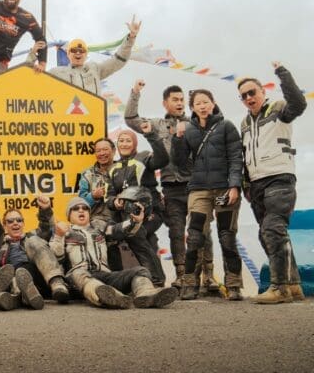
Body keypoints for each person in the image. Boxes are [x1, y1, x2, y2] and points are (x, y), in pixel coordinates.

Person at [124, 80, 218, 291]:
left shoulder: (195, 123)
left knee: (202, 231)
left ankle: (209, 276)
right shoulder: (156, 124)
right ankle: (182, 276)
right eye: (175, 99)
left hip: (196, 185)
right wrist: (136, 92)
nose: (180, 103)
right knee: (176, 232)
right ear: (165, 103)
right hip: (170, 188)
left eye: (182, 99)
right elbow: (130, 118)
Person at [238, 62, 307, 304]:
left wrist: (283, 74)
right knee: (266, 234)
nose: (248, 98)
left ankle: (279, 288)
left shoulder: (278, 109)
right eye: (244, 96)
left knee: (272, 229)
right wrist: (245, 185)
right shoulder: (244, 124)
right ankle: (294, 284)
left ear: (262, 92)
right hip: (256, 185)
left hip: (279, 177)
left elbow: (299, 104)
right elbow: (243, 156)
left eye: (252, 92)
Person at [171, 89, 244, 301]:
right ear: (192, 108)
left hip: (224, 189)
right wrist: (178, 137)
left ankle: (234, 285)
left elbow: (236, 158)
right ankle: (190, 284)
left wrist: (234, 186)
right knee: (194, 236)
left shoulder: (226, 126)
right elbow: (179, 161)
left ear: (213, 103)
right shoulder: (188, 129)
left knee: (226, 236)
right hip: (199, 189)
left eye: (206, 102)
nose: (202, 106)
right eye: (198, 103)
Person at [49, 194, 177, 309]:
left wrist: (135, 221)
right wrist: (59, 236)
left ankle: (146, 294)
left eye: (85, 208)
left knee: (140, 271)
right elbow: (56, 257)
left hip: (105, 276)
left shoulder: (100, 228)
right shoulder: (64, 232)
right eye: (76, 209)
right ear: (69, 215)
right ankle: (106, 296)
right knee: (78, 273)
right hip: (77, 281)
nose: (81, 210)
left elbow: (118, 229)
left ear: (89, 213)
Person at [0, 197, 70, 311]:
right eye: (10, 221)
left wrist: (45, 209)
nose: (15, 223)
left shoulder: (31, 236)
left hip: (34, 276)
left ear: (23, 223)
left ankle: (57, 283)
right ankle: (14, 297)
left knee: (33, 245)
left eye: (19, 220)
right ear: (5, 226)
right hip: (9, 278)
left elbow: (46, 228)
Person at [104, 125, 168, 286]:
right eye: (121, 141)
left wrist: (151, 134)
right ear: (117, 145)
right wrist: (115, 202)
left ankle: (156, 279)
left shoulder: (144, 157)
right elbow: (109, 196)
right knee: (110, 236)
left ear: (134, 143)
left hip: (150, 213)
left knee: (135, 232)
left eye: (128, 140)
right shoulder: (113, 168)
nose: (124, 144)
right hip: (127, 216)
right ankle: (117, 281)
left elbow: (163, 159)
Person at [47, 17, 140, 96]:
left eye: (82, 51)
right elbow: (36, 81)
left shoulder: (94, 69)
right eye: (74, 50)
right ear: (68, 54)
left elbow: (118, 61)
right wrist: (33, 55)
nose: (78, 53)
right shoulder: (57, 73)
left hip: (94, 116)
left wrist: (131, 37)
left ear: (86, 54)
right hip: (69, 116)